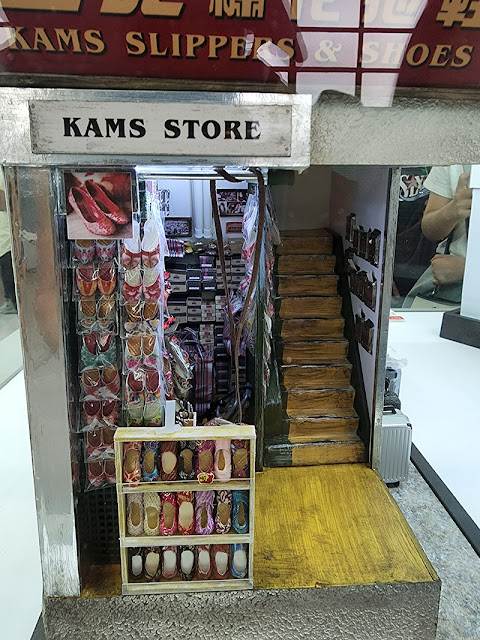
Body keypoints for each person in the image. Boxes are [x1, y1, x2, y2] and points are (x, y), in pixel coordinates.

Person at [403, 165, 470, 308]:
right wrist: (453, 210)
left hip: (454, 273)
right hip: (451, 283)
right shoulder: (455, 159)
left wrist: (468, 269)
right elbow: (430, 230)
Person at [0, 167, 17, 314]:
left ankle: (15, 303)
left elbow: (5, 202)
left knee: (8, 269)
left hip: (5, 234)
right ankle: (10, 300)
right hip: (3, 234)